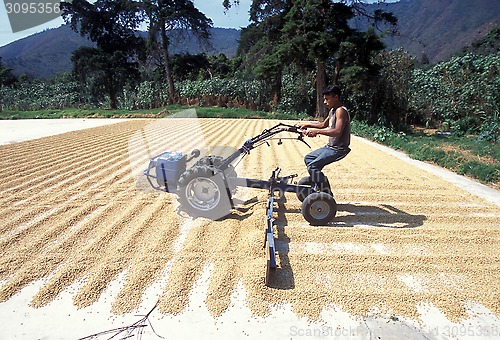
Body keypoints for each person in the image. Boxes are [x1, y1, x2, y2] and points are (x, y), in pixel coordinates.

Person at [298, 84, 351, 191]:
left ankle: (326, 192)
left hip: (338, 149)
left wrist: (316, 132)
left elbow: (337, 132)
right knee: (309, 159)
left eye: (327, 99)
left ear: (336, 97)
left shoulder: (340, 111)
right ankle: (317, 184)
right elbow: (323, 124)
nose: (325, 102)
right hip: (330, 147)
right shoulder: (332, 110)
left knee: (313, 167)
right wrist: (307, 125)